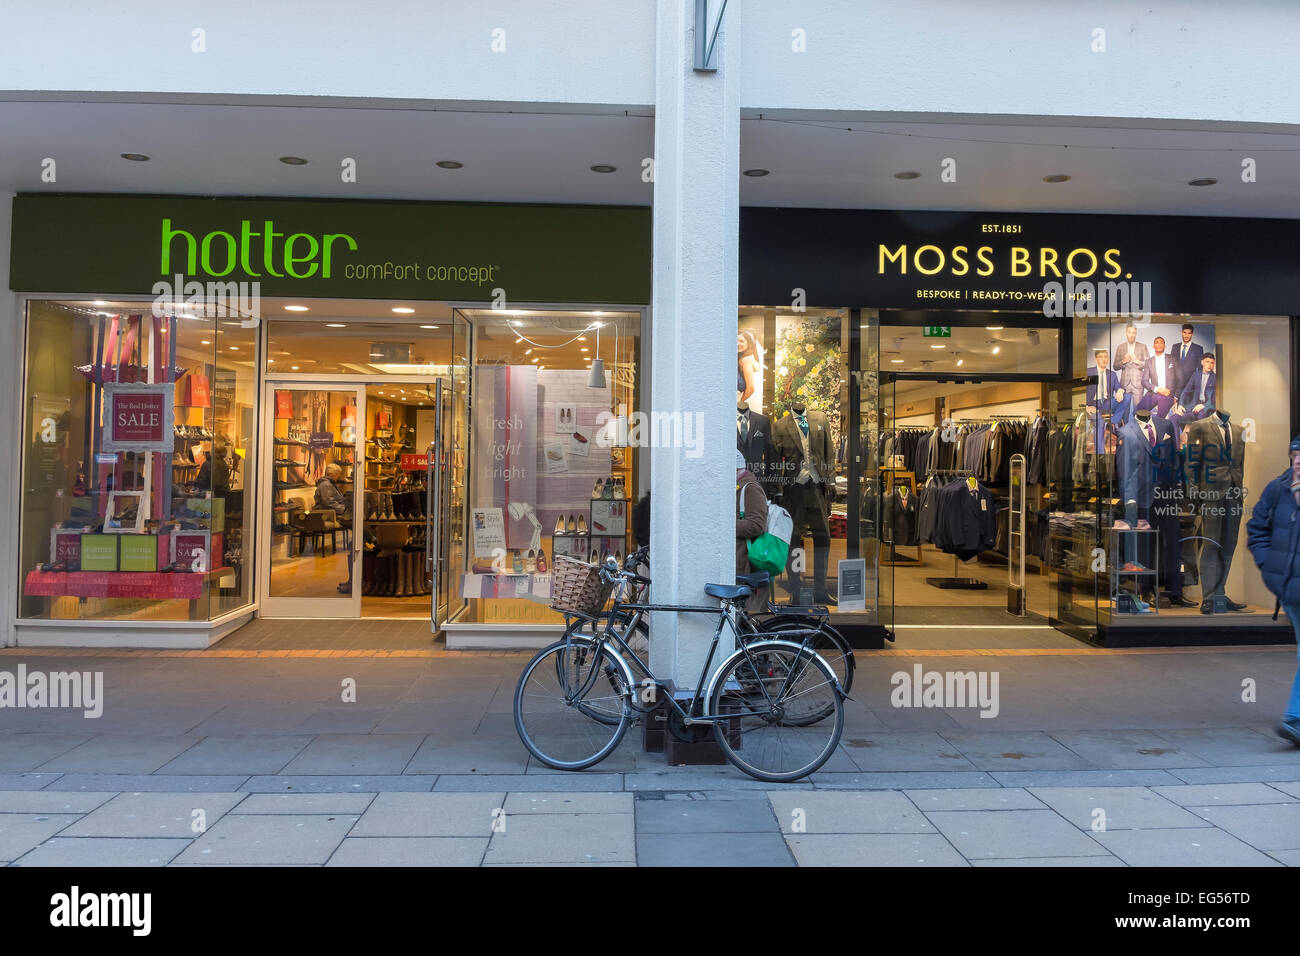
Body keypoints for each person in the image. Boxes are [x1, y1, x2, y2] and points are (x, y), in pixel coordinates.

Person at [1245, 435, 1300, 745]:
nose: (1298, 460)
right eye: (1295, 454)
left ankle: (1295, 717)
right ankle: (1295, 718)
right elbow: (1257, 528)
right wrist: (1270, 567)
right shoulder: (1278, 489)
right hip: (1291, 589)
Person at [736, 450, 770, 613]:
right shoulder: (739, 486)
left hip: (747, 564)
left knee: (747, 614)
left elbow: (757, 525)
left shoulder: (750, 488)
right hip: (740, 563)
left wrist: (725, 526)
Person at [737, 329, 764, 410]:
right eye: (736, 340)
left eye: (741, 341)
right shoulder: (752, 357)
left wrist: (740, 403)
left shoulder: (746, 360)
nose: (738, 343)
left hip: (748, 398)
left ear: (749, 343)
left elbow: (751, 387)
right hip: (754, 398)